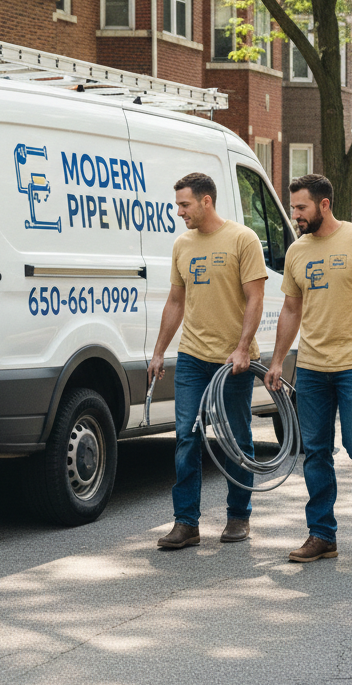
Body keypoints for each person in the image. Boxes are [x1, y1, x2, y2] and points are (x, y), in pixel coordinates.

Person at [265, 173, 352, 563]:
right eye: (293, 207)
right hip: (311, 367)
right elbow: (291, 309)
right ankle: (322, 533)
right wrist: (278, 360)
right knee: (317, 452)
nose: (295, 215)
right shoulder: (297, 251)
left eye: (301, 207)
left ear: (324, 205)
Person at [149, 172, 268, 549]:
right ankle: (186, 523)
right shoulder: (182, 245)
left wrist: (243, 346)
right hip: (192, 358)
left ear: (206, 201)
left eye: (185, 204)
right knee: (187, 437)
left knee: (236, 439)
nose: (179, 211)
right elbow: (175, 302)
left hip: (233, 361)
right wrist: (157, 352)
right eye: (178, 204)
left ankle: (238, 517)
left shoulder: (242, 239)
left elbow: (255, 297)